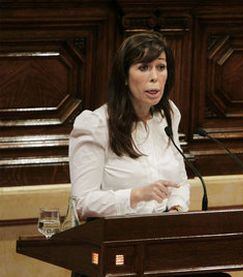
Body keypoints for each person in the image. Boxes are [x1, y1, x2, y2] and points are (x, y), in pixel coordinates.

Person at [69, 31, 189, 219]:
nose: (155, 77)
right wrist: (136, 195)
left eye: (161, 67)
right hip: (117, 236)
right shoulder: (96, 125)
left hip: (165, 232)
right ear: (124, 77)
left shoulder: (168, 115)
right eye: (144, 68)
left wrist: (176, 208)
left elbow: (179, 182)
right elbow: (81, 203)